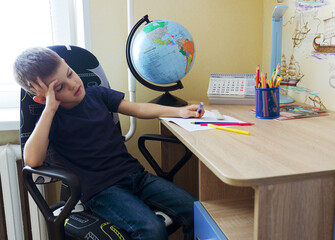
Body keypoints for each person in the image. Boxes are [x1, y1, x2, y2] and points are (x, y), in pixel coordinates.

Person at [13, 47, 205, 240]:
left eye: (70, 74)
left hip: (136, 176)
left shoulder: (98, 94)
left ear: (66, 64)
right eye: (59, 88)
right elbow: (32, 160)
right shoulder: (51, 120)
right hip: (102, 191)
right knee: (152, 230)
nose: (72, 84)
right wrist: (49, 108)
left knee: (196, 211)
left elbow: (138, 108)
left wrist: (179, 112)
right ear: (43, 98)